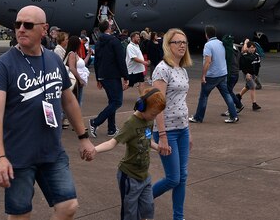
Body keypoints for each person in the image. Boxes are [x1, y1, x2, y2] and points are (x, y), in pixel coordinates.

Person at [0, 5, 95, 219]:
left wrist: (83, 137)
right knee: (21, 215)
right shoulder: (4, 65)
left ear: (44, 29)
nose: (21, 29)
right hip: (18, 156)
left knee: (68, 206)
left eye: (28, 25)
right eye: (17, 24)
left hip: (51, 152)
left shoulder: (54, 60)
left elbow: (69, 100)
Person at [94, 87, 166, 220]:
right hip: (129, 177)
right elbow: (112, 142)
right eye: (153, 114)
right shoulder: (131, 124)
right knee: (130, 213)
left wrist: (158, 147)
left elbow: (147, 139)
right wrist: (95, 150)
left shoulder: (149, 120)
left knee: (148, 208)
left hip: (144, 175)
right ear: (142, 107)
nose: (155, 118)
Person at [151, 28, 192, 220]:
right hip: (167, 130)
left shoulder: (182, 69)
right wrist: (163, 136)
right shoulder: (162, 69)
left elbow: (181, 101)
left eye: (184, 42)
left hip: (182, 129)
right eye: (178, 42)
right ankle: (141, 199)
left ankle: (179, 217)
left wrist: (189, 131)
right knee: (173, 178)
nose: (182, 45)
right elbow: (157, 105)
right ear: (168, 45)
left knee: (182, 178)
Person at [189, 25, 239, 124]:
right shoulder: (221, 43)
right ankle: (234, 115)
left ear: (206, 34)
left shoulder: (208, 45)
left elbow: (208, 61)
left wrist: (203, 75)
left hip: (212, 75)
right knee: (226, 94)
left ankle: (198, 117)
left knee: (204, 96)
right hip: (222, 73)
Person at [90, 20, 130, 138]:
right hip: (112, 75)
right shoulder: (114, 41)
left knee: (112, 101)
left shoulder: (98, 42)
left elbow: (96, 61)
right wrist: (126, 77)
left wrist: (98, 78)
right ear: (108, 28)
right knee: (117, 102)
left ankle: (111, 128)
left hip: (102, 75)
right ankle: (95, 122)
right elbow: (120, 60)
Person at [237, 40, 262, 111]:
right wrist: (246, 73)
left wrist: (256, 75)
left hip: (253, 74)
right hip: (247, 74)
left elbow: (258, 66)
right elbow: (242, 66)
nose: (253, 49)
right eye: (251, 47)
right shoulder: (244, 56)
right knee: (253, 87)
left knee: (247, 87)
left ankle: (238, 96)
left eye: (254, 47)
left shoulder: (257, 56)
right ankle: (254, 104)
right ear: (247, 48)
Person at [65, 36, 89, 110]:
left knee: (77, 100)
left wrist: (89, 55)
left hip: (77, 80)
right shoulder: (72, 54)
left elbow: (82, 64)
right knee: (76, 101)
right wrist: (80, 79)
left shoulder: (75, 54)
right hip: (75, 80)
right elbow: (72, 67)